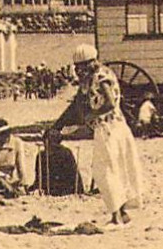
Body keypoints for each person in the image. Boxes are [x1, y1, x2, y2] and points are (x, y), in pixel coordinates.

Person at [50, 44, 146, 225]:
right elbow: (75, 106)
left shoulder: (101, 77)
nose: (78, 72)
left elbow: (109, 103)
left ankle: (116, 216)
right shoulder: (91, 79)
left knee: (104, 172)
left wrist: (90, 116)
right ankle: (122, 213)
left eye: (80, 67)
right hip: (112, 128)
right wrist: (58, 125)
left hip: (109, 128)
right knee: (116, 170)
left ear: (89, 64)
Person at [0, 118, 31, 194]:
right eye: (2, 134)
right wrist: (3, 176)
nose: (5, 136)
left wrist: (24, 182)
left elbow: (21, 166)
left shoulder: (17, 142)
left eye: (6, 133)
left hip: (10, 176)